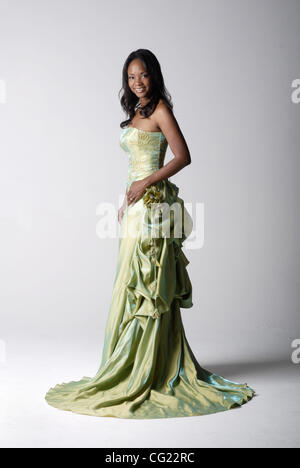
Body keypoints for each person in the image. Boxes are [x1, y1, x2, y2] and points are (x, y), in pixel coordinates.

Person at [45, 49, 255, 418]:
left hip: (154, 207)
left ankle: (152, 367)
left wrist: (146, 183)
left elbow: (182, 156)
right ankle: (128, 363)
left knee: (147, 282)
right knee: (128, 282)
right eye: (130, 77)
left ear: (153, 76)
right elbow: (133, 168)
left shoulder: (159, 110)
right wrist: (128, 197)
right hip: (135, 207)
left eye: (142, 75)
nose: (137, 82)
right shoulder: (136, 114)